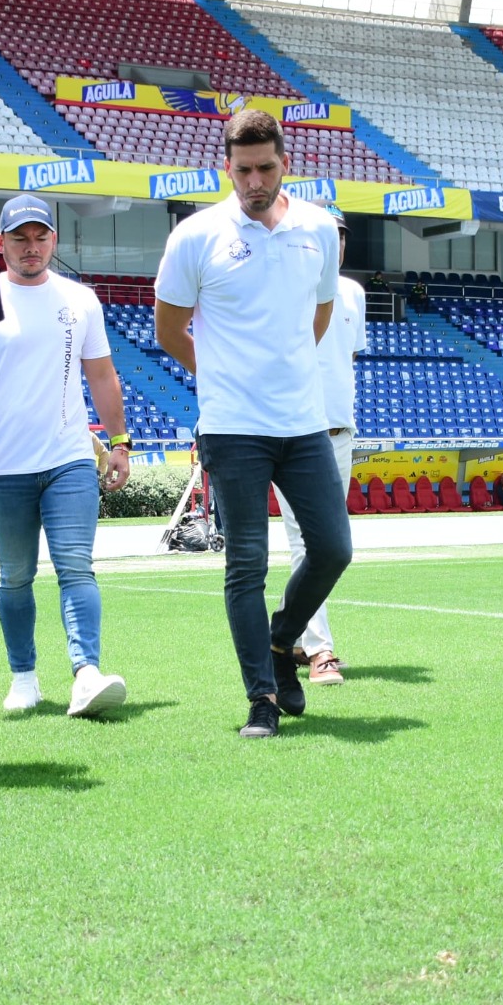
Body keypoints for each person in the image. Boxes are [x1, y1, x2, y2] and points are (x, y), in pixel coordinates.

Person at [153, 106, 350, 739]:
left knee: (332, 548)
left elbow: (318, 317)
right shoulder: (196, 236)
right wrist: (219, 374)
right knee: (247, 563)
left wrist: (282, 370)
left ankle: (281, 640)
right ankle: (261, 699)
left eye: (266, 168)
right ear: (227, 168)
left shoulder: (318, 229)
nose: (255, 181)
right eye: (243, 170)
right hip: (233, 426)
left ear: (285, 164)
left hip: (302, 421)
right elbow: (166, 329)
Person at [0, 194, 131, 718]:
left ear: (54, 241)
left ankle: (86, 673)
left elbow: (101, 375)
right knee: (15, 577)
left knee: (76, 569)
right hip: (5, 466)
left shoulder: (81, 300)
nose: (32, 247)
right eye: (20, 238)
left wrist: (121, 442)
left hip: (69, 461)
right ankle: (24, 678)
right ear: (1, 243)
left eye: (41, 237)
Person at [277, 203, 363, 687]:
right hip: (295, 431)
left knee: (329, 546)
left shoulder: (352, 293)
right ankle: (319, 649)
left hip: (339, 431)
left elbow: (343, 360)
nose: (338, 242)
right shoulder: (287, 288)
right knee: (306, 543)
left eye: (343, 235)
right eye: (328, 234)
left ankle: (288, 631)